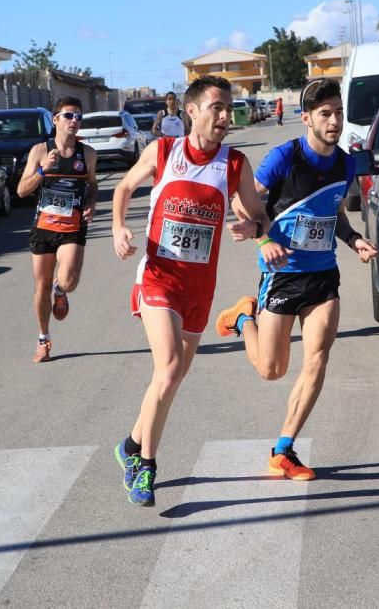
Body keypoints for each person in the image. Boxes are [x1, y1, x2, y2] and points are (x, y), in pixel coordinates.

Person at [112, 75, 272, 507]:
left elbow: (262, 219)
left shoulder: (234, 165)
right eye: (216, 108)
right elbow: (124, 188)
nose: (224, 116)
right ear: (193, 112)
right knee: (166, 370)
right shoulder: (163, 151)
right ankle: (145, 467)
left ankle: (130, 443)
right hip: (158, 278)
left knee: (173, 378)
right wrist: (118, 228)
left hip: (198, 287)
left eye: (228, 108)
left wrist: (254, 229)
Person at [213, 79, 378, 481]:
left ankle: (283, 450)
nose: (334, 120)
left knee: (317, 358)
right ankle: (242, 318)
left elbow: (331, 212)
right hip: (283, 275)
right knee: (271, 370)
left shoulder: (346, 163)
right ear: (305, 118)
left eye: (338, 112)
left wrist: (354, 239)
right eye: (325, 113)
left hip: (323, 275)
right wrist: (263, 236)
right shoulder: (283, 158)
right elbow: (242, 200)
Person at [16, 96, 98, 363]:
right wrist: (42, 170)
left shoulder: (87, 154)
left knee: (70, 281)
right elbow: (21, 191)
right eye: (69, 116)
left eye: (78, 117)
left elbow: (93, 184)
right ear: (55, 120)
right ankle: (43, 339)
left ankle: (60, 291)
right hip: (43, 227)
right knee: (40, 286)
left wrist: (91, 203)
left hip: (73, 226)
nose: (74, 121)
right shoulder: (40, 151)